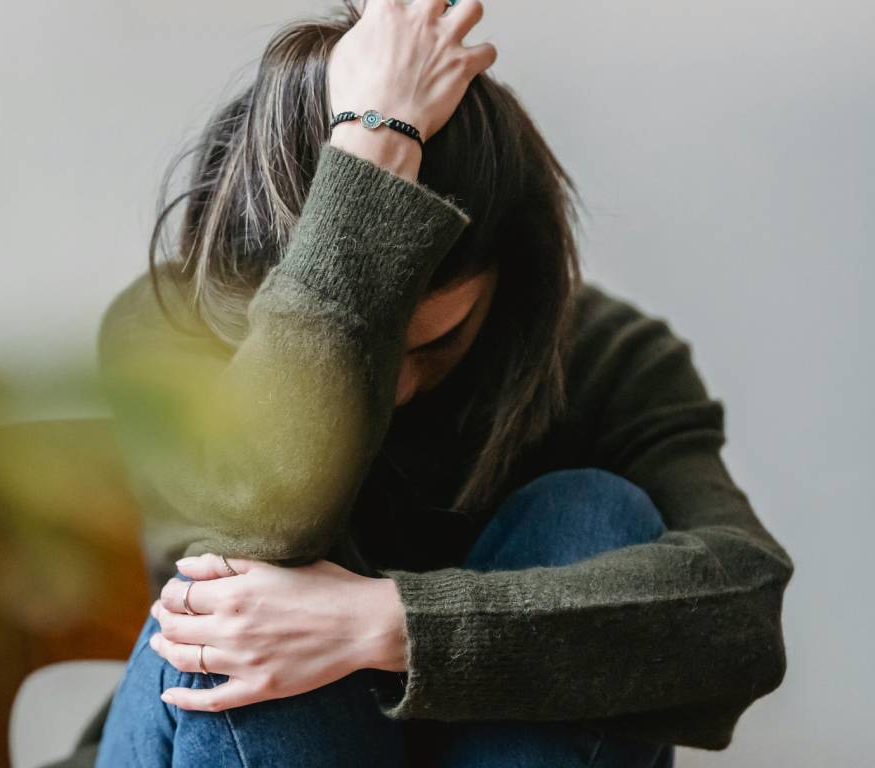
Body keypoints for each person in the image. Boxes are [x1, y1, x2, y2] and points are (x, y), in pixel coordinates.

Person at [52, 1, 794, 766]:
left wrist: (389, 625)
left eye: (437, 342)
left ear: (511, 279)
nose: (399, 387)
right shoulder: (171, 326)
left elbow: (740, 610)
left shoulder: (600, 353)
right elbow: (255, 530)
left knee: (592, 512)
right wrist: (374, 146)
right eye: (378, 345)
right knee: (248, 591)